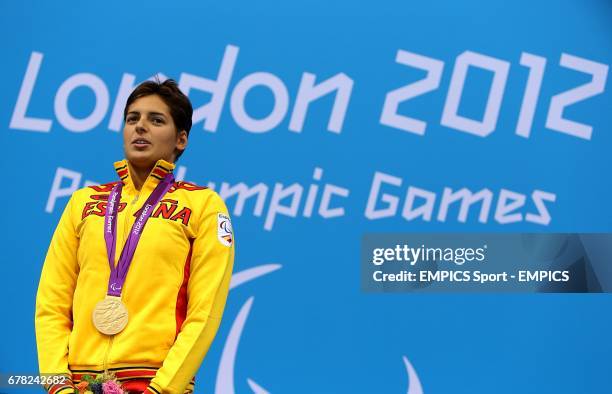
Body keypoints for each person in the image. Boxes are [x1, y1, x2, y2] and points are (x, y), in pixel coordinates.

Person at [35, 79, 235, 394]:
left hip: (154, 383)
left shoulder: (203, 206)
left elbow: (205, 312)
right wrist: (57, 385)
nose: (140, 127)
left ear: (180, 139)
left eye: (156, 120)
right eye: (133, 118)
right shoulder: (83, 203)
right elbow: (52, 303)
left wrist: (163, 390)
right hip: (79, 385)